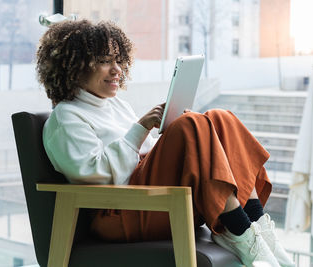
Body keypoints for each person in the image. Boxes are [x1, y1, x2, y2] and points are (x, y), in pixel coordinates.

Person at [36, 19, 294, 267]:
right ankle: (239, 231)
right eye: (104, 62)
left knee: (220, 118)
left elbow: (145, 154)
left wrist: (177, 139)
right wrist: (143, 130)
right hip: (121, 213)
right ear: (74, 67)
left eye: (118, 60)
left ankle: (257, 228)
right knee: (191, 124)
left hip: (160, 201)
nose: (117, 70)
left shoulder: (115, 104)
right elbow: (97, 176)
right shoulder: (66, 118)